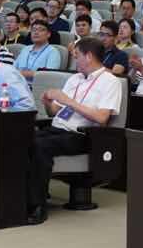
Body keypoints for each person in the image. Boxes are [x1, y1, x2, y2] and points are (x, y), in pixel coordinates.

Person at [27, 39, 124, 224]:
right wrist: (48, 103)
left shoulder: (110, 82)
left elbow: (102, 118)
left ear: (88, 56)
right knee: (21, 138)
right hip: (57, 127)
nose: (74, 61)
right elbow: (54, 112)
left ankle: (37, 206)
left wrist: (69, 101)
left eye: (76, 56)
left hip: (83, 135)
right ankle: (25, 195)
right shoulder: (75, 79)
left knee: (40, 146)